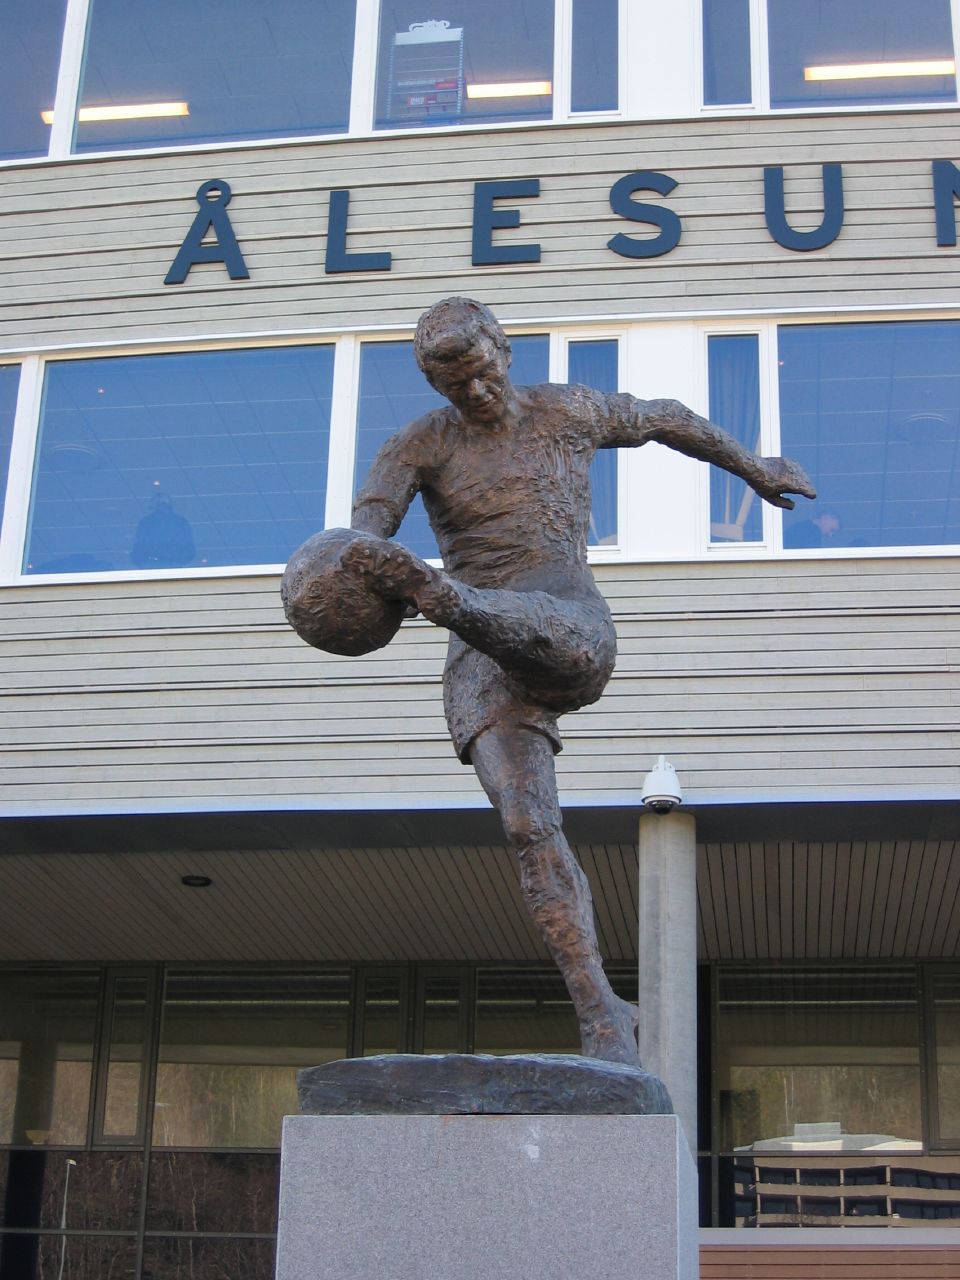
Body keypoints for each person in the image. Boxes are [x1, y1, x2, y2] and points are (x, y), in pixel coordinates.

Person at [344, 297, 815, 1065]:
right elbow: (363, 538)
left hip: (563, 618)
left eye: (483, 375)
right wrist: (343, 578)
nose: (476, 396)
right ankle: (601, 1010)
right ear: (437, 388)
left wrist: (754, 469)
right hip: (478, 655)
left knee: (543, 636)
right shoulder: (416, 447)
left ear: (504, 350)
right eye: (456, 388)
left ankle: (447, 597)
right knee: (529, 828)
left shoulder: (568, 411)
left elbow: (666, 418)